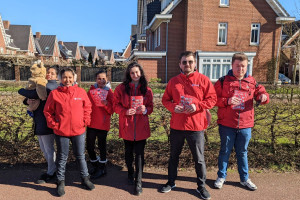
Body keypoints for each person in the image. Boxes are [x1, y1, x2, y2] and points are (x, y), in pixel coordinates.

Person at [161, 51, 217, 200]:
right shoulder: (173, 82)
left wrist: (198, 106)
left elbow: (212, 100)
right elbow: (165, 100)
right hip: (177, 126)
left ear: (195, 63)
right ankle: (171, 182)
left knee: (199, 159)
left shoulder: (203, 80)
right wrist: (173, 107)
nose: (187, 65)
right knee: (174, 156)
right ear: (179, 64)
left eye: (190, 62)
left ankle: (201, 187)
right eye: (184, 62)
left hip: (196, 127)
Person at [213, 52, 269, 191]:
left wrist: (263, 97)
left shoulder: (252, 82)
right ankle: (221, 176)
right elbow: (213, 100)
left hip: (245, 125)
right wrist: (227, 101)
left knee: (242, 152)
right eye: (237, 66)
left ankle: (244, 179)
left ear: (247, 66)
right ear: (232, 65)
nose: (240, 69)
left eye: (243, 66)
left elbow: (264, 95)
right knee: (225, 151)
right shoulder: (222, 81)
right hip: (227, 124)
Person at [44, 67, 94, 197]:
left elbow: (87, 107)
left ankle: (85, 178)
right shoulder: (55, 94)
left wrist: (85, 121)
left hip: (79, 130)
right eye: (65, 77)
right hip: (61, 132)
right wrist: (54, 125)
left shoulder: (81, 92)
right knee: (62, 157)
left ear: (74, 78)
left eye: (70, 77)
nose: (67, 80)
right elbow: (47, 111)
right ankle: (60, 181)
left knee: (80, 156)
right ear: (60, 79)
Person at [113, 62, 153, 196]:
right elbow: (115, 106)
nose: (135, 75)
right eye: (132, 73)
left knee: (140, 155)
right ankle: (130, 173)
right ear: (128, 74)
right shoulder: (120, 89)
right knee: (129, 154)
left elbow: (151, 107)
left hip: (141, 127)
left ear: (140, 73)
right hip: (127, 126)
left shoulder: (147, 90)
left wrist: (145, 109)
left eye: (137, 72)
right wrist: (125, 111)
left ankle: (138, 181)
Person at [18, 65, 59, 184]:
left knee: (49, 149)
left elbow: (30, 94)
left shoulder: (50, 86)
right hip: (40, 121)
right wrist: (27, 101)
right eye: (48, 72)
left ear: (56, 77)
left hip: (46, 122)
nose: (49, 75)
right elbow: (29, 97)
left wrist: (21, 91)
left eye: (52, 73)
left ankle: (52, 172)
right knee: (45, 149)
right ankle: (53, 169)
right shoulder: (43, 84)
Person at [86, 70, 114, 179]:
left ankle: (102, 168)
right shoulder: (91, 91)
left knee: (102, 147)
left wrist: (106, 104)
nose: (101, 80)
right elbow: (87, 106)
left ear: (106, 79)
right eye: (99, 78)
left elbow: (112, 110)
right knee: (89, 146)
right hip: (91, 123)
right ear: (95, 79)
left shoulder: (110, 92)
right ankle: (96, 165)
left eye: (103, 78)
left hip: (103, 124)